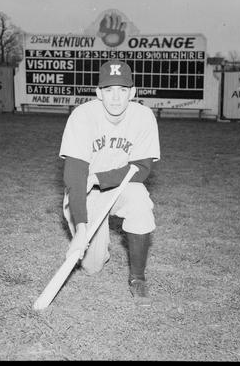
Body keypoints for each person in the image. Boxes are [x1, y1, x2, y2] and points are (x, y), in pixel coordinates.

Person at [59, 60, 160, 305]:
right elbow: (75, 177)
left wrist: (100, 177)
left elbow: (142, 169)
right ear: (98, 93)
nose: (115, 98)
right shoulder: (82, 116)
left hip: (123, 187)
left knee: (140, 202)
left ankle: (137, 278)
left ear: (133, 93)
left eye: (122, 90)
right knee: (92, 266)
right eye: (109, 90)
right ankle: (95, 241)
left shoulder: (143, 116)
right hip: (87, 193)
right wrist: (81, 229)